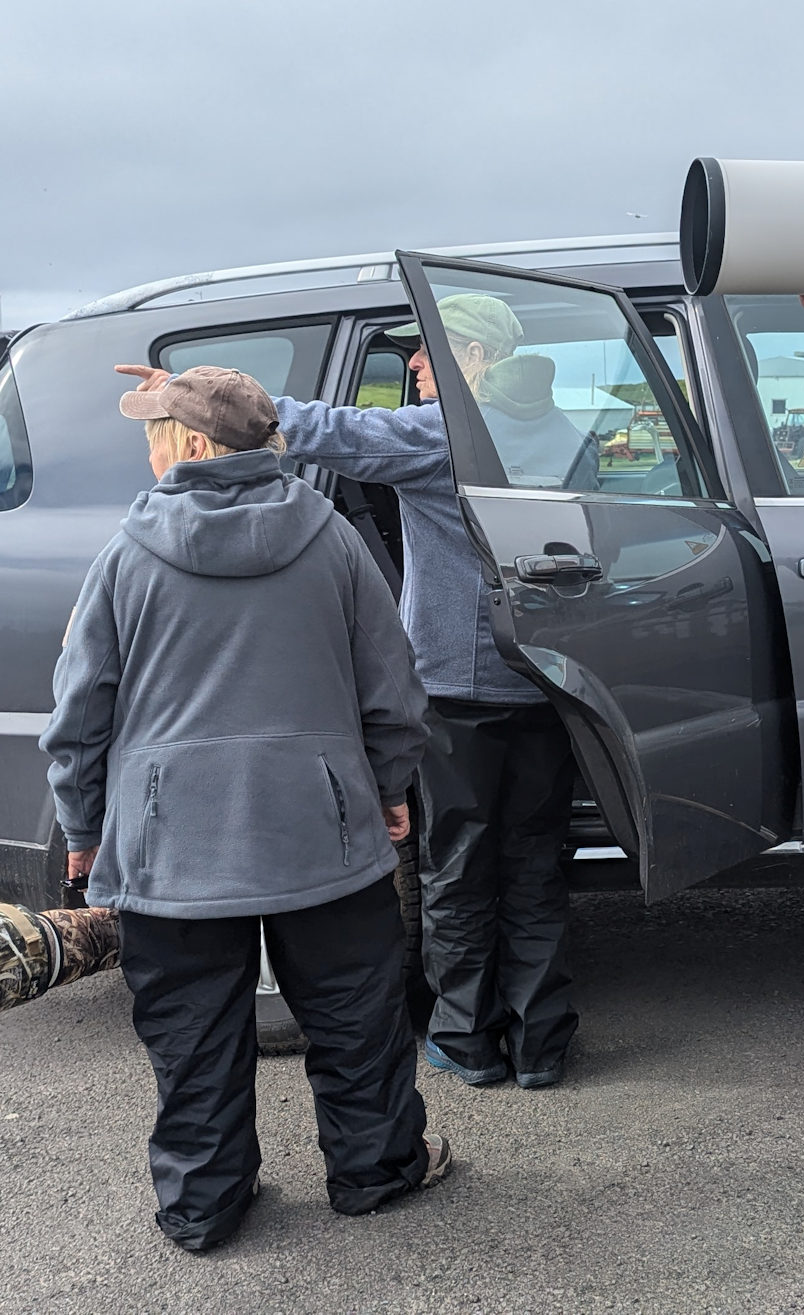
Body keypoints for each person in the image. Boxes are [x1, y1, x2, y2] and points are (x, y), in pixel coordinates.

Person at [119, 295, 588, 1093]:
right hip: (550, 677)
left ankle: (466, 1038)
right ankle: (542, 1041)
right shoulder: (570, 433)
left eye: (429, 352)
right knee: (537, 862)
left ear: (474, 356)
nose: (414, 364)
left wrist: (188, 395)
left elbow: (334, 430)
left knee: (458, 867)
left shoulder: (445, 432)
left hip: (455, 686)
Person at [41, 366, 446, 1250]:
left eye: (154, 428)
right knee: (356, 1012)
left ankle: (205, 1203)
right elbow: (394, 690)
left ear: (190, 445)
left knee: (191, 1032)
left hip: (170, 842)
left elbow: (79, 717)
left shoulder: (125, 554)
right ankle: (375, 1170)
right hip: (324, 826)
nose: (146, 445)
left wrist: (83, 831)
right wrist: (384, 788)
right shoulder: (333, 538)